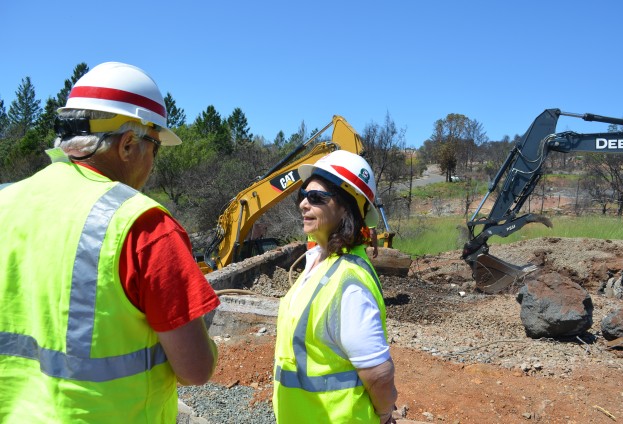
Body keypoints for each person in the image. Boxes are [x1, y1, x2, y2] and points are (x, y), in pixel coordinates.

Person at [0, 62, 220, 423]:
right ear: (129, 144)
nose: (152, 163)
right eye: (155, 148)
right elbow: (196, 369)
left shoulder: (6, 201)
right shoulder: (143, 224)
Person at [273, 150, 397, 423]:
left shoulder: (349, 281)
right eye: (303, 195)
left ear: (346, 207)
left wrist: (385, 415)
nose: (304, 204)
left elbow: (378, 374)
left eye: (316, 197)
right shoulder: (318, 261)